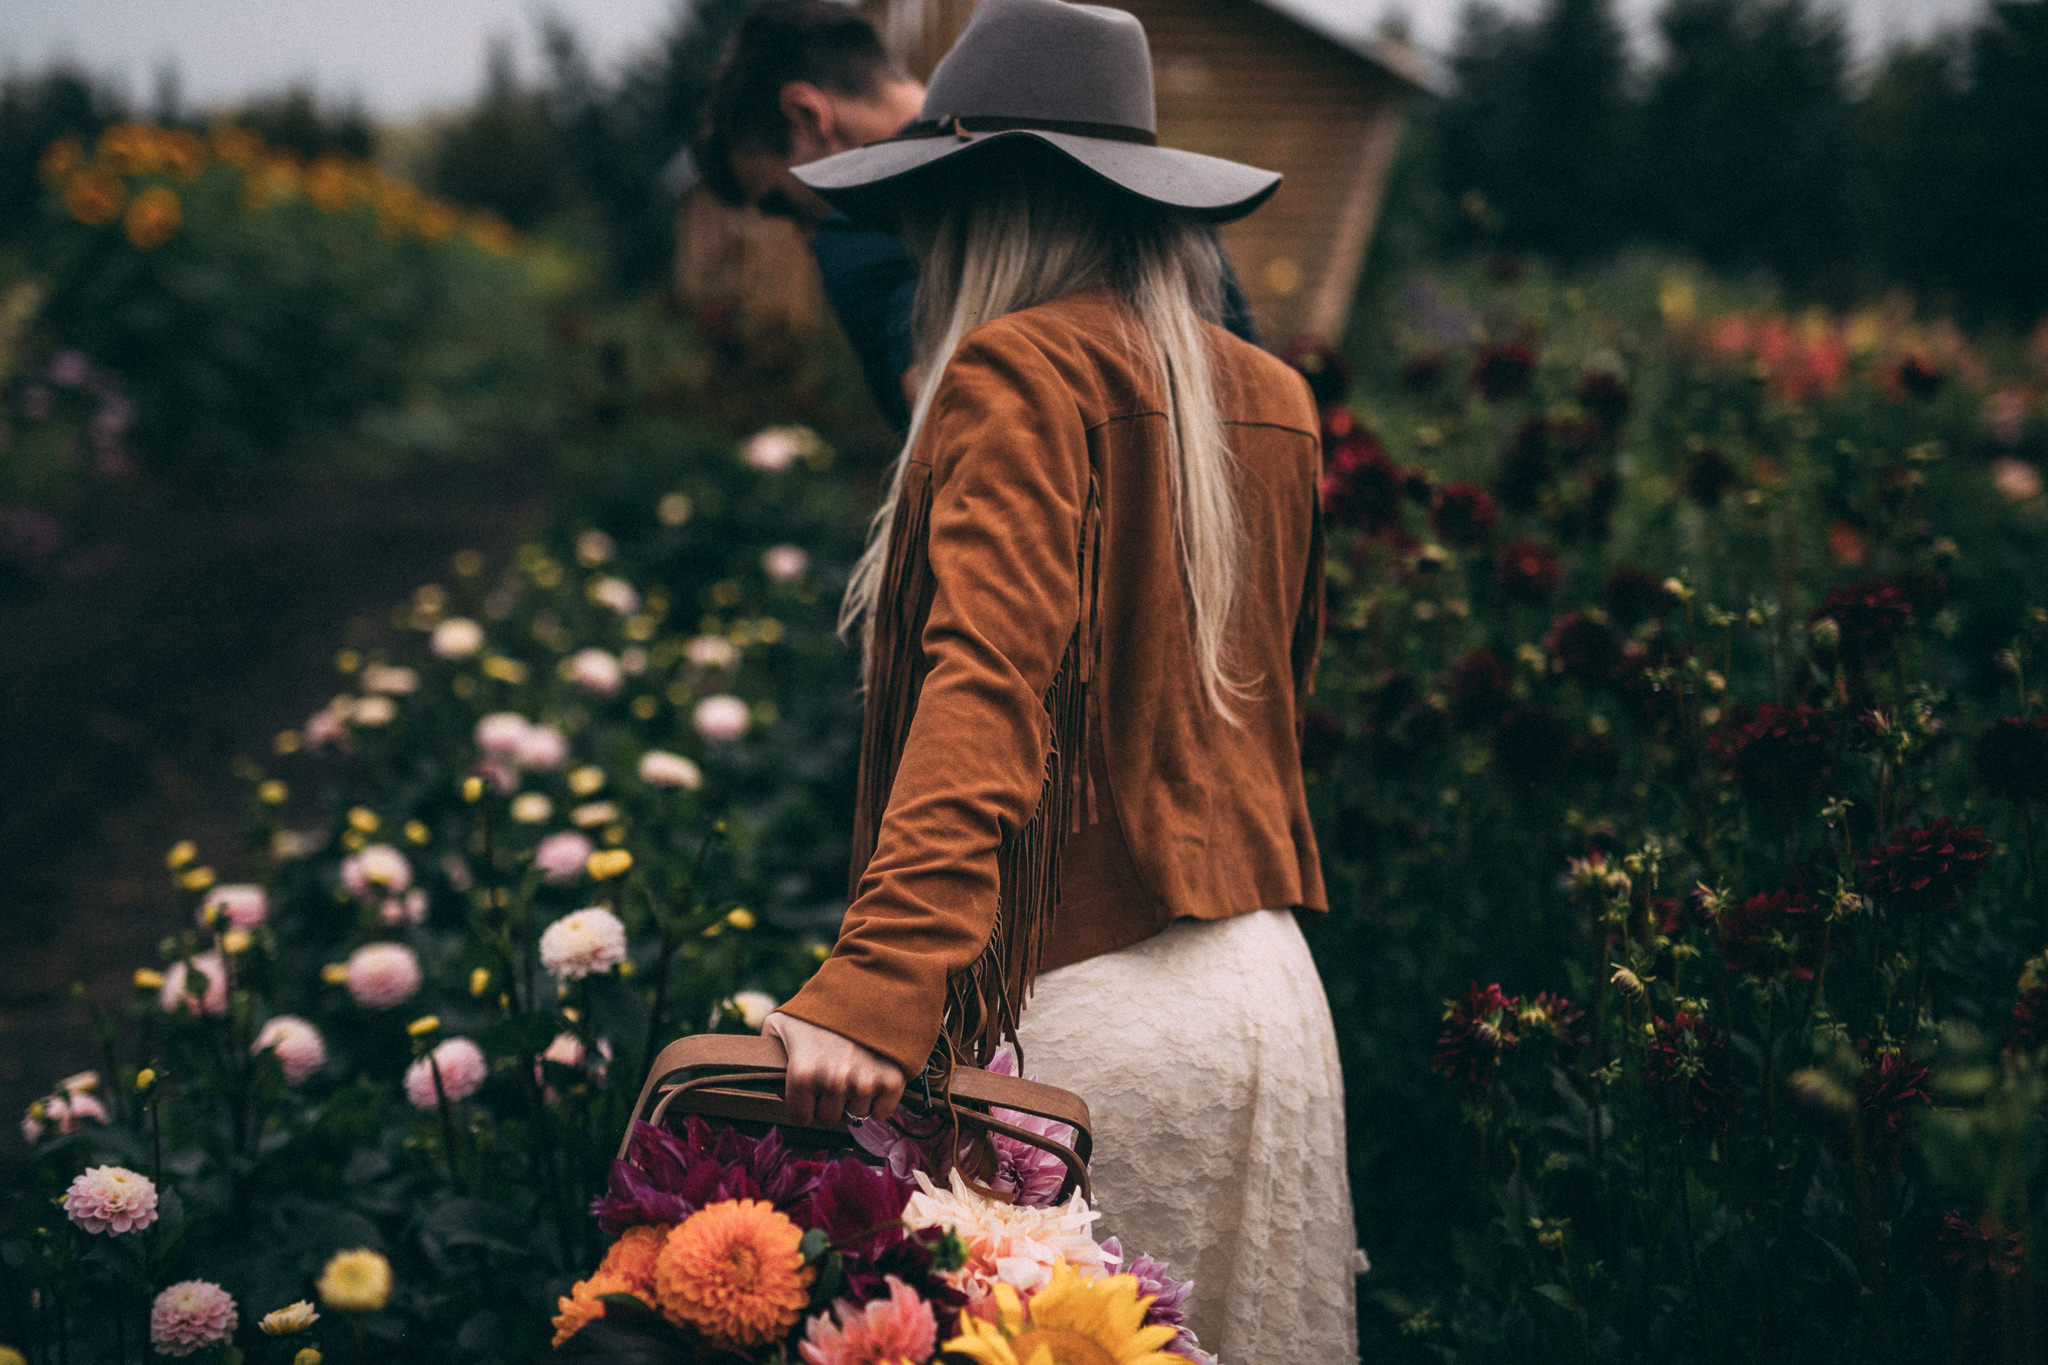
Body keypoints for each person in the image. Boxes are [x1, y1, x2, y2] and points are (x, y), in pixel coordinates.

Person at [753, 0, 1362, 1358]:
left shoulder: (1009, 374)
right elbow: (1274, 696)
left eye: (936, 206)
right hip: (1267, 999)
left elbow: (990, 691)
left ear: (987, 206)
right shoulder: (1269, 395)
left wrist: (874, 984)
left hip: (1087, 1021)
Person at [694, 0, 1262, 435]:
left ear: (807, 113)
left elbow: (954, 425)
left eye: (781, 204)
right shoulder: (1161, 208)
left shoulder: (853, 230)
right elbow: (1246, 404)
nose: (803, 236)